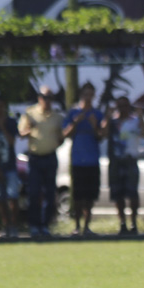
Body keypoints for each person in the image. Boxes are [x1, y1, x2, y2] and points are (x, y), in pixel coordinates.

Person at [17, 85, 64, 239]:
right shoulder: (30, 113)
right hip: (35, 158)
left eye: (49, 98)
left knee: (50, 194)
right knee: (34, 193)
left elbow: (61, 138)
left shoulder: (57, 117)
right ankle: (34, 226)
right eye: (44, 97)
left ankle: (45, 226)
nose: (47, 100)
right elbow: (21, 134)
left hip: (50, 157)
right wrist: (29, 129)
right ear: (39, 98)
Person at [62, 82, 103, 237]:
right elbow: (65, 134)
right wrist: (75, 122)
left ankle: (87, 227)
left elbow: (101, 136)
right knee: (78, 196)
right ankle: (77, 226)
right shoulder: (73, 112)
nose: (88, 97)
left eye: (91, 94)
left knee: (90, 196)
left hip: (93, 160)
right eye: (85, 94)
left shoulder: (97, 114)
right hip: (78, 160)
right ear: (81, 95)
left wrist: (94, 125)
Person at [103, 96, 144, 235]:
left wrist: (141, 117)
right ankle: (122, 223)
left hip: (130, 159)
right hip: (116, 161)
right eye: (120, 106)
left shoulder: (134, 121)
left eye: (125, 106)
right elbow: (103, 133)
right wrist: (107, 116)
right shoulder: (113, 122)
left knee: (132, 193)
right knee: (118, 193)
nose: (123, 109)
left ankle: (133, 222)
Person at [0, 93, 20, 238]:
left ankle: (14, 227)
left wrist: (2, 127)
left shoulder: (11, 123)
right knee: (0, 199)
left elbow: (12, 142)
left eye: (2, 106)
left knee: (13, 196)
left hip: (10, 166)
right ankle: (6, 226)